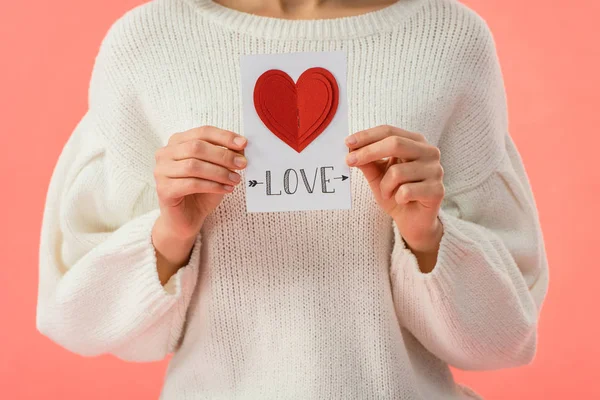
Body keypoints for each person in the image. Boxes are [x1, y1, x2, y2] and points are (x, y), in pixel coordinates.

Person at [35, 0, 549, 398]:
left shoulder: (449, 38)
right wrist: (171, 234)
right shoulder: (147, 42)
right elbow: (75, 315)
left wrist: (427, 237)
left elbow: (505, 335)